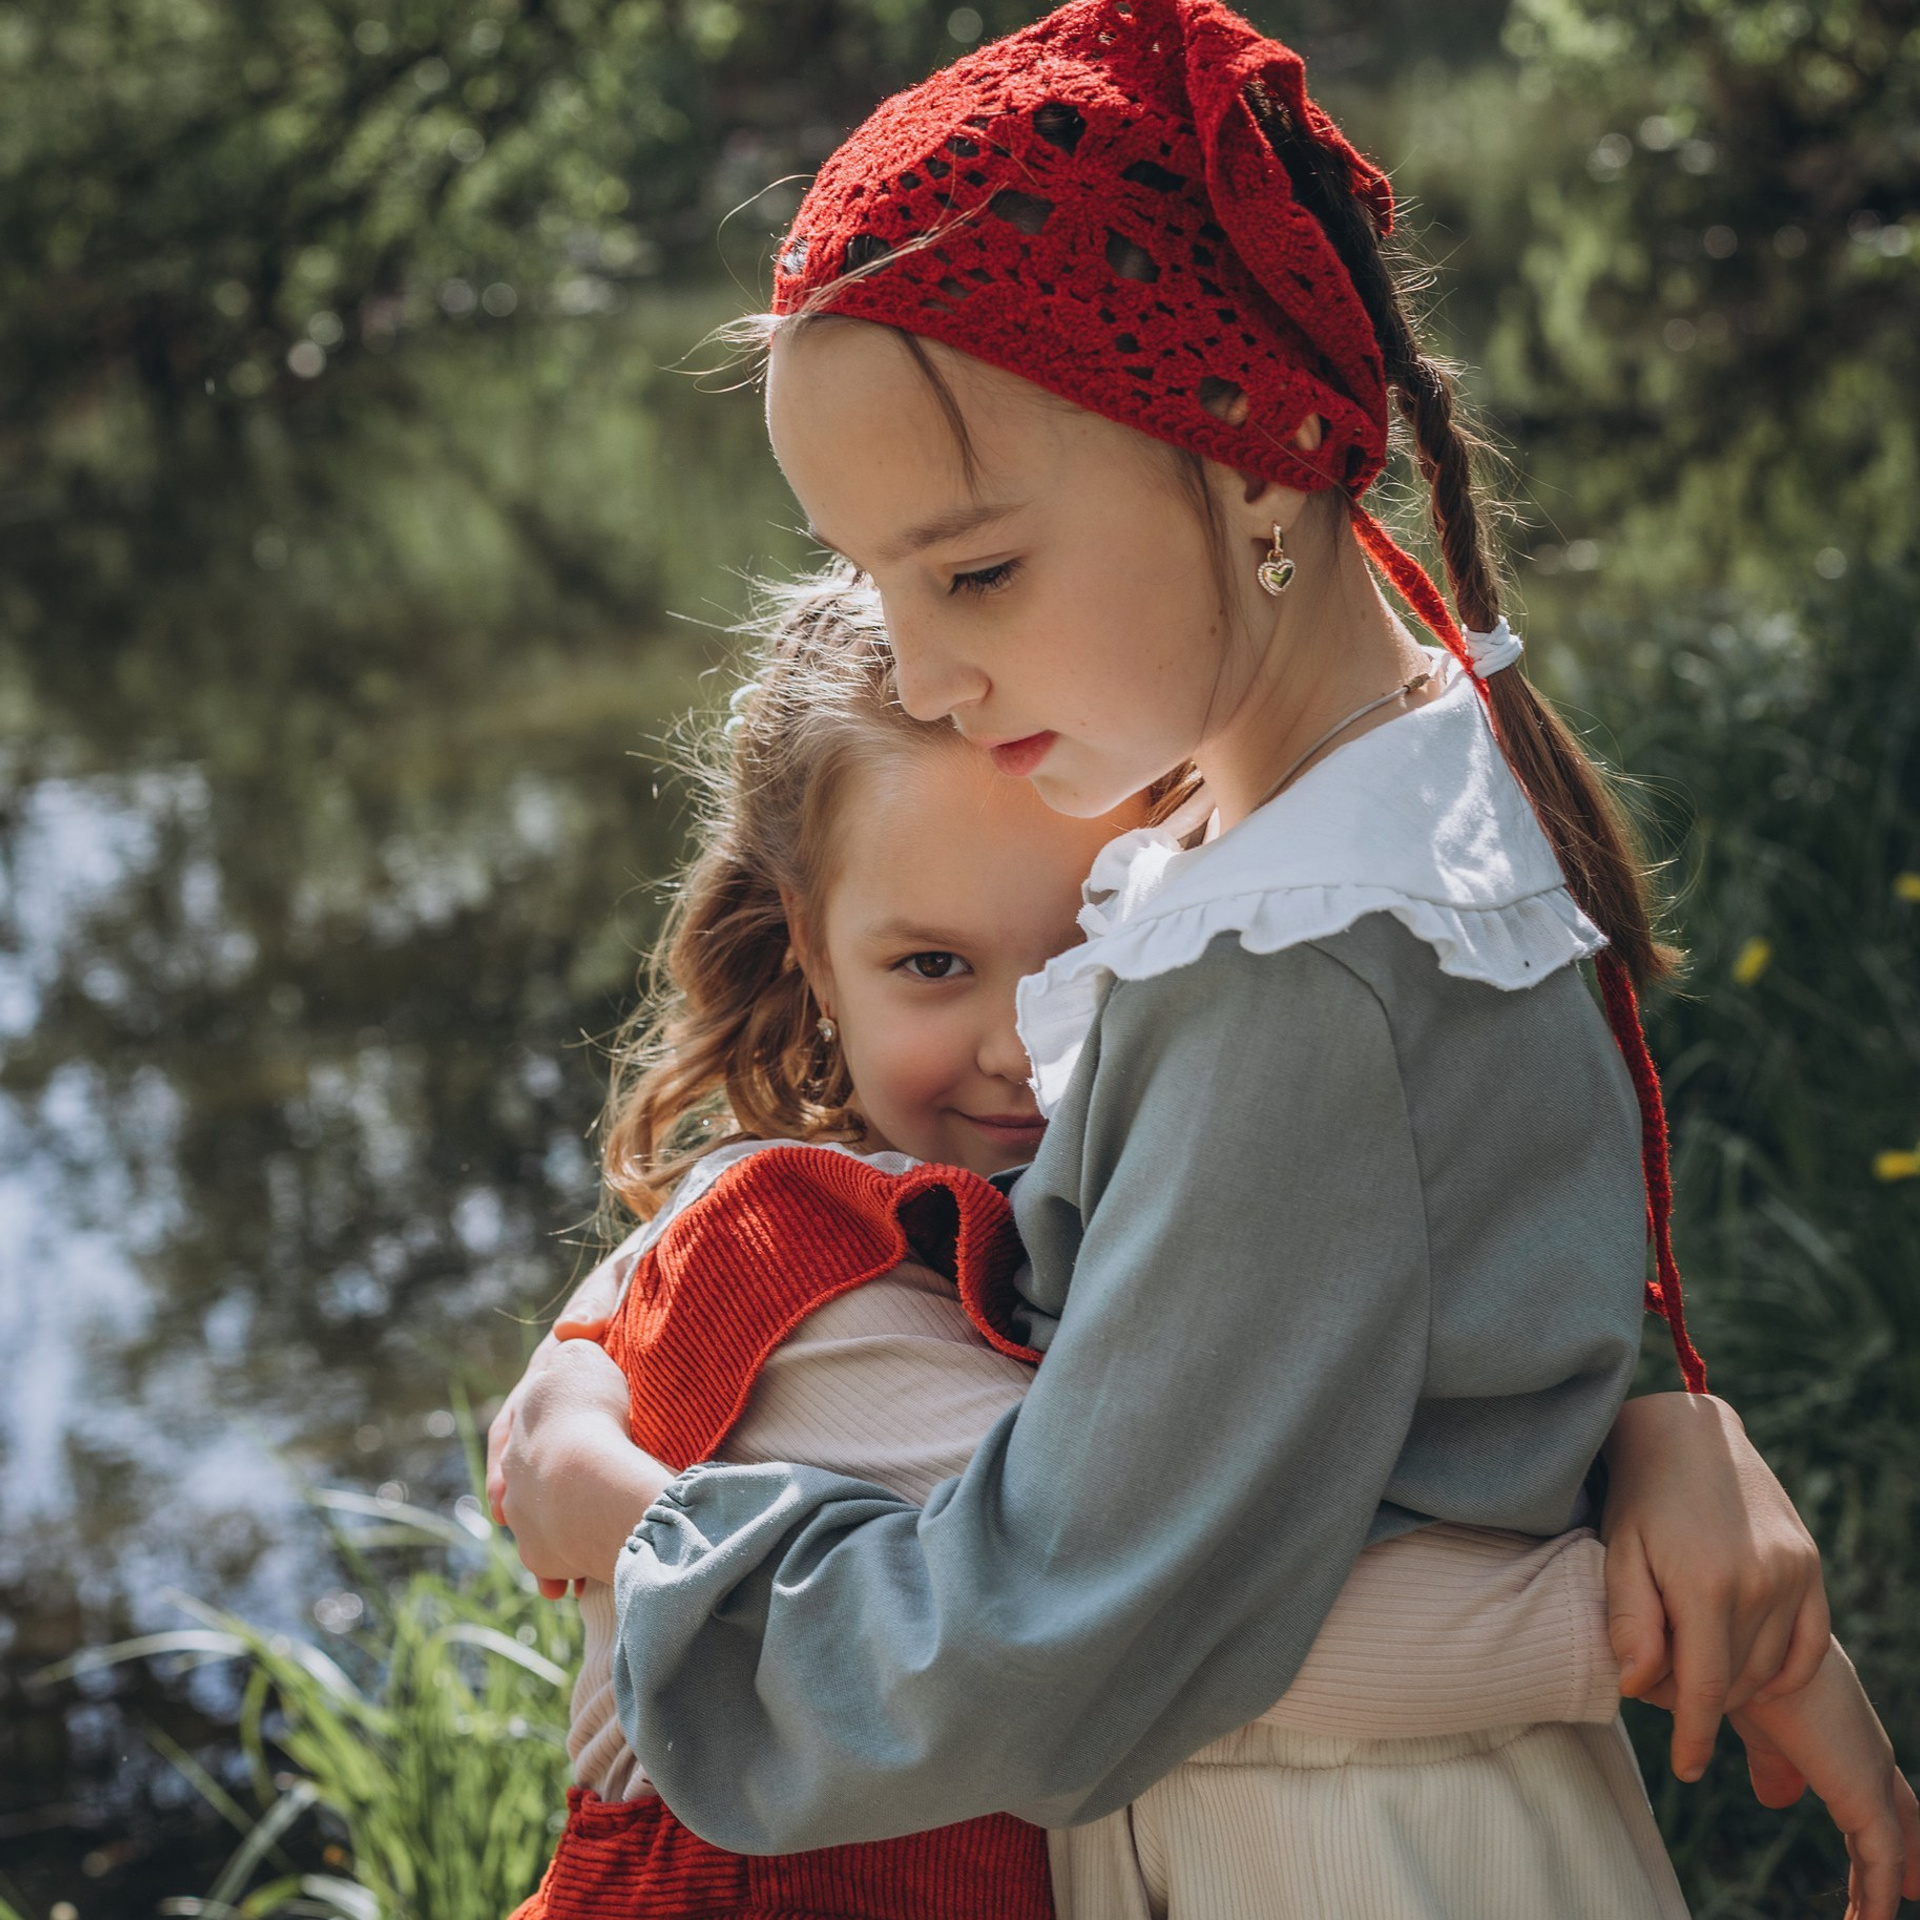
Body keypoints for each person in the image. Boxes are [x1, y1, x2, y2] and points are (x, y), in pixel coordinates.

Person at [497, 2, 1920, 1913]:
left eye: (976, 571)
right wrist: (1658, 1410)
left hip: (1322, 1850)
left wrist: (658, 1541)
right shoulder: (1380, 800)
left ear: (1250, 463)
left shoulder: (1291, 967)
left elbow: (1076, 1623)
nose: (922, 674)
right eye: (879, 579)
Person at [510, 574, 1689, 1918]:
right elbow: (1188, 1630)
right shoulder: (846, 1290)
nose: (1019, 1046)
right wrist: (1645, 1614)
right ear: (813, 957)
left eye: (1097, 940)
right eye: (934, 967)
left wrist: (1663, 1437)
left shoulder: (1131, 1199)